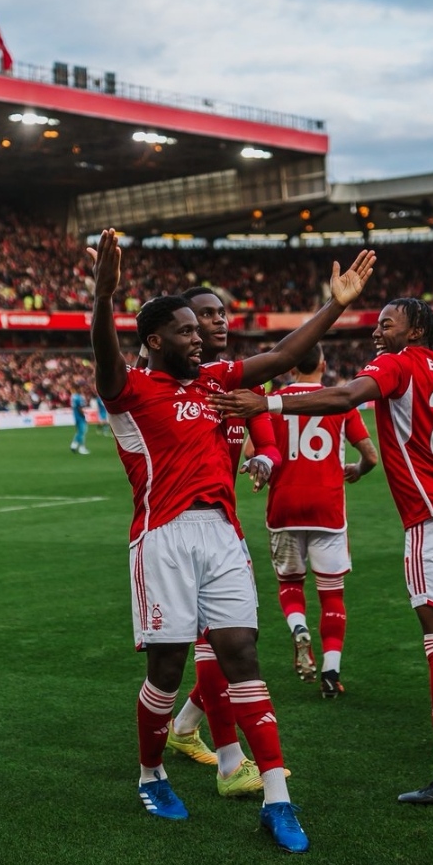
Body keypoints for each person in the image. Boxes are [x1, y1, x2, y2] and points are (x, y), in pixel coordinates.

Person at [90, 228, 374, 852]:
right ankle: (152, 773)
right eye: (187, 331)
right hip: (161, 537)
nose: (202, 338)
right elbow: (105, 357)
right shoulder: (130, 392)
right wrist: (103, 297)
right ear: (156, 340)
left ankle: (277, 796)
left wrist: (337, 305)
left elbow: (279, 356)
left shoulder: (216, 382)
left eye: (203, 329)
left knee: (241, 653)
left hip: (222, 535)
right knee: (166, 669)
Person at [213, 297, 433, 806]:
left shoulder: (396, 363)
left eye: (386, 322)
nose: (376, 331)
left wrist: (269, 404)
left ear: (414, 328)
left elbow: (347, 396)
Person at [164, 285, 285, 798]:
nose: (219, 323)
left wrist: (265, 460)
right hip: (175, 531)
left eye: (221, 315)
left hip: (222, 527)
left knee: (228, 643)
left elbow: (271, 445)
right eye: (205, 316)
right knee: (216, 644)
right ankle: (232, 762)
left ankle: (184, 727)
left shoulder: (239, 381)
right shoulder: (171, 384)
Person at [264, 343, 377, 698]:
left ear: (290, 367)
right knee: (332, 596)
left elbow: (254, 452)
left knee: (291, 583)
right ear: (323, 364)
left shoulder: (276, 402)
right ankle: (330, 672)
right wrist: (356, 470)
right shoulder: (338, 400)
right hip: (327, 508)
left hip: (284, 506)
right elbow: (370, 456)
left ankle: (298, 628)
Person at [70, 383, 90, 454]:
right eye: (81, 388)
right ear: (78, 389)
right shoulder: (79, 397)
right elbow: (80, 408)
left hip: (75, 416)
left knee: (80, 431)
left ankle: (74, 444)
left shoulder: (73, 396)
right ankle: (82, 448)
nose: (82, 389)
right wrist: (84, 416)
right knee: (83, 432)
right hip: (80, 416)